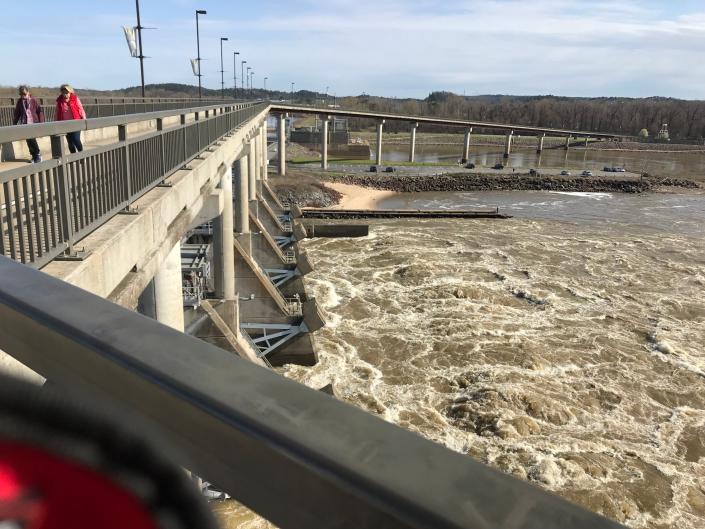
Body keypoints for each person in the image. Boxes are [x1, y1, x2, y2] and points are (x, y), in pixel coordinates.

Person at [12, 85, 45, 163]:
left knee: (32, 139)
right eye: (21, 94)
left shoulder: (33, 100)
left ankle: (37, 154)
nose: (23, 96)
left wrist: (41, 123)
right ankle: (34, 156)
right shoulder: (20, 102)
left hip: (33, 123)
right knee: (28, 140)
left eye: (24, 94)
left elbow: (39, 111)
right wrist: (14, 123)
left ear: (28, 92)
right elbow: (17, 114)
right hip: (25, 123)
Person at [55, 84, 86, 153]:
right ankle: (73, 158)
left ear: (70, 92)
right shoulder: (59, 101)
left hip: (76, 123)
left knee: (76, 139)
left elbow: (80, 108)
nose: (65, 94)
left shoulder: (75, 99)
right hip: (65, 124)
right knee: (70, 143)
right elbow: (57, 112)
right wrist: (56, 122)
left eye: (67, 93)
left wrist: (84, 119)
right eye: (63, 93)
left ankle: (81, 154)